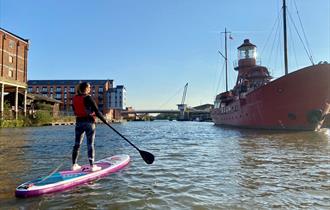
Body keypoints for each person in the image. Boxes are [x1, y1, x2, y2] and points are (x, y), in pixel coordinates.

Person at [71, 82, 108, 172]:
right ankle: (92, 166)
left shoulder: (74, 98)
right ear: (86, 88)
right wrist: (104, 120)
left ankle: (74, 165)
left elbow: (75, 110)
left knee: (77, 144)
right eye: (89, 87)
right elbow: (97, 111)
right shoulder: (88, 98)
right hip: (89, 123)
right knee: (90, 144)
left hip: (79, 123)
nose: (90, 89)